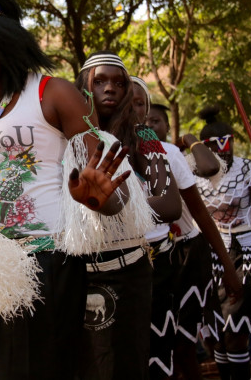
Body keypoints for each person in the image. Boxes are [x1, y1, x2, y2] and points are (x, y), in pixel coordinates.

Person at [0, 0, 131, 380]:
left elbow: (116, 193)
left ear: (0, 38)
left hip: (44, 266)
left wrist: (97, 199)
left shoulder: (51, 92)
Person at [74, 54, 181, 379]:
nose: (111, 89)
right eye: (100, 81)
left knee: (127, 362)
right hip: (75, 267)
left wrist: (121, 202)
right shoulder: (64, 135)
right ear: (83, 87)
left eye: (119, 83)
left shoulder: (144, 137)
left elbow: (171, 204)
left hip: (129, 268)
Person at [145, 102, 243, 380]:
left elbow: (211, 167)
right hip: (156, 257)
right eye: (147, 120)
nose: (151, 125)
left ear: (167, 127)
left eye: (157, 121)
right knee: (159, 341)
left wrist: (189, 140)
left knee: (184, 341)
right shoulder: (132, 156)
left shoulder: (180, 158)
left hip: (189, 255)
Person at [192, 106, 251, 380]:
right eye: (215, 147)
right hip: (212, 258)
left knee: (236, 334)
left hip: (247, 257)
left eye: (227, 144)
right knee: (217, 336)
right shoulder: (193, 173)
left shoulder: (249, 171)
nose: (223, 151)